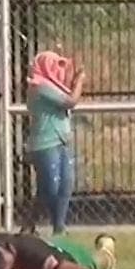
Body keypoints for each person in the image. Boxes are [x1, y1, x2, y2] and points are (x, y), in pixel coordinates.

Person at [22, 51, 85, 235]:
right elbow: (71, 102)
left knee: (65, 184)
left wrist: (73, 78)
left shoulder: (54, 87)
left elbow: (67, 95)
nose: (60, 70)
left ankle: (58, 228)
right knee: (50, 187)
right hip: (45, 144)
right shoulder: (40, 87)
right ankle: (36, 225)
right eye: (56, 66)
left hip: (61, 142)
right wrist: (80, 80)